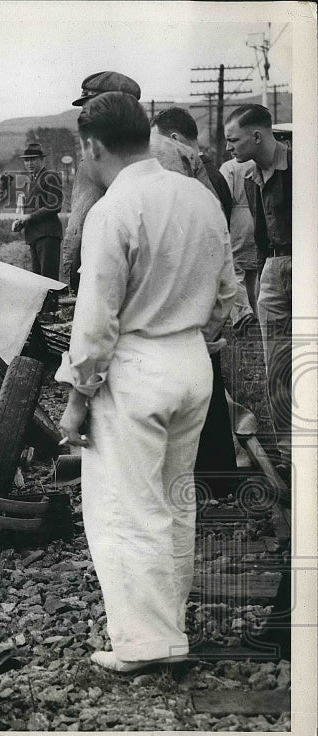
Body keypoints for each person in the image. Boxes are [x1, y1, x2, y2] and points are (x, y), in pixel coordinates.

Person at [57, 92, 236, 674]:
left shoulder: (113, 210)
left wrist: (77, 399)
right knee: (176, 501)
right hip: (191, 361)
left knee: (126, 510)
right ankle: (170, 628)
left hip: (134, 369)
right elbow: (229, 296)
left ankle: (144, 643)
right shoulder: (200, 198)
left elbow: (96, 322)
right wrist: (189, 329)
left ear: (92, 145)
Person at [149, 107, 240, 497]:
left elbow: (208, 255)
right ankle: (215, 479)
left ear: (173, 140)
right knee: (207, 393)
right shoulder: (206, 175)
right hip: (202, 308)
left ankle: (214, 482)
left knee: (205, 396)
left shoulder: (198, 181)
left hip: (199, 311)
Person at [61, 71, 218, 292]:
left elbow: (77, 231)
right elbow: (214, 216)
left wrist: (73, 286)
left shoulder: (97, 155)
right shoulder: (179, 149)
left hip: (128, 283)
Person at [224, 104, 292, 473]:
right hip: (273, 269)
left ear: (257, 135)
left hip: (304, 263)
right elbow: (262, 236)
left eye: (233, 139)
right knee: (278, 366)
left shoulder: (299, 166)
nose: (229, 148)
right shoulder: (249, 177)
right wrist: (269, 266)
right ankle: (288, 455)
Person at [11, 142, 63, 283]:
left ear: (42, 160)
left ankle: (51, 306)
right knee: (39, 280)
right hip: (35, 235)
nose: (29, 163)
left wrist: (29, 217)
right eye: (26, 160)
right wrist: (21, 222)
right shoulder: (32, 180)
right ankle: (46, 306)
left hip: (47, 235)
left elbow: (54, 205)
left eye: (33, 160)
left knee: (48, 280)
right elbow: (33, 209)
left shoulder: (50, 176)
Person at [219, 155, 260, 324]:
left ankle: (243, 312)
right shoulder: (257, 164)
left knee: (235, 269)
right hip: (256, 217)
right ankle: (255, 311)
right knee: (253, 272)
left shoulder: (229, 167)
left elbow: (225, 195)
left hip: (237, 218)